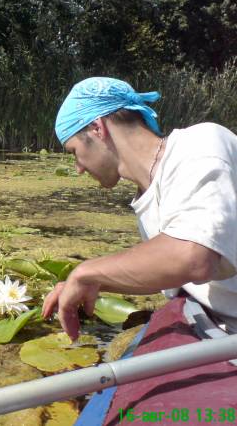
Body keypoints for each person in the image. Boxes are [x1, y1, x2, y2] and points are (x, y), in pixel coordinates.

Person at [41, 76, 237, 341]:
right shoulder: (147, 195)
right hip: (212, 327)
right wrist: (90, 283)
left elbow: (194, 257)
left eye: (74, 151)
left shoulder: (202, 143)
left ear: (97, 128)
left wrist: (86, 273)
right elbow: (171, 271)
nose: (78, 168)